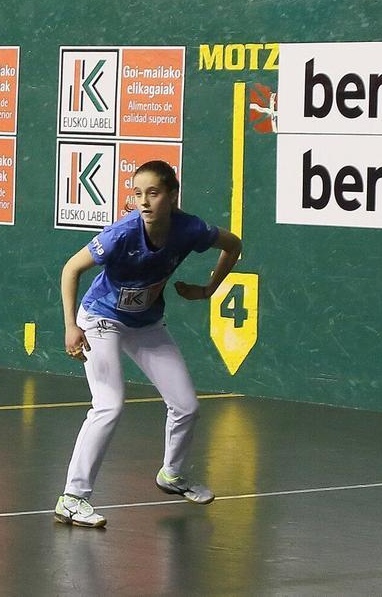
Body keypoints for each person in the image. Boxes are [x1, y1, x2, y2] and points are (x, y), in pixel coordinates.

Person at [53, 160, 242, 528]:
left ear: (172, 196)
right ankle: (73, 498)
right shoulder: (122, 234)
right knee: (109, 405)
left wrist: (208, 290)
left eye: (153, 193)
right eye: (137, 193)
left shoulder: (191, 229)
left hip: (146, 324)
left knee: (186, 406)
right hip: (101, 320)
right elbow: (70, 269)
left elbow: (233, 245)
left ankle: (172, 475)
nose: (143, 201)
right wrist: (70, 326)